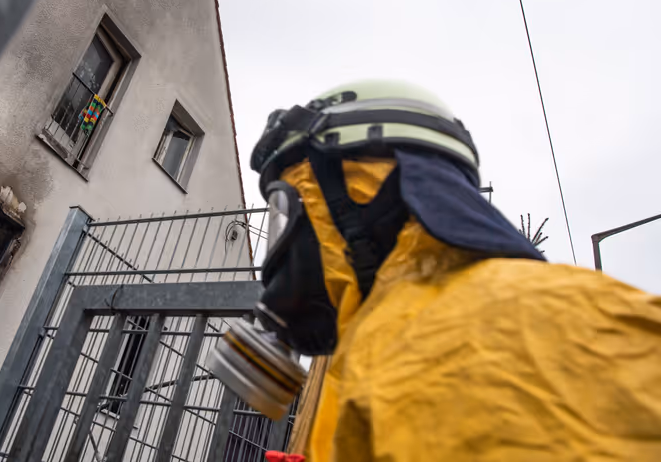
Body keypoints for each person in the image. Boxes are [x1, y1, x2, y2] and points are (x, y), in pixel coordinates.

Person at [249, 79, 661, 461]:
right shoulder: (373, 345)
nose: (284, 245)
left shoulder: (467, 331)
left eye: (288, 208)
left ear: (354, 192)